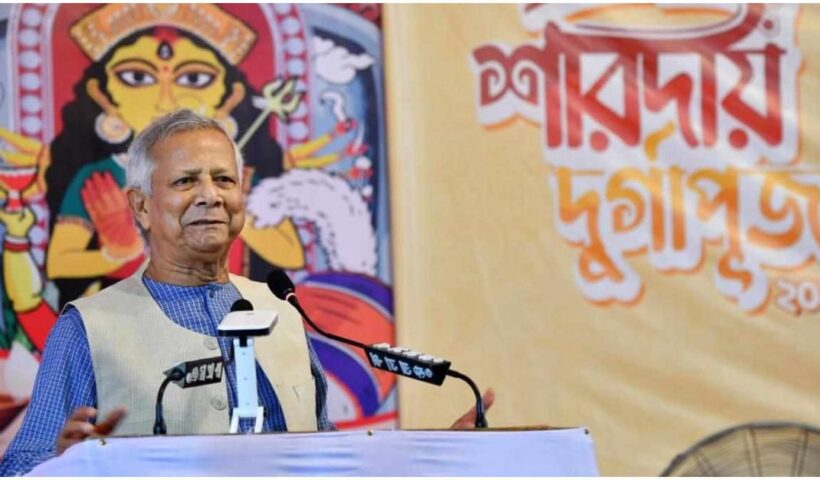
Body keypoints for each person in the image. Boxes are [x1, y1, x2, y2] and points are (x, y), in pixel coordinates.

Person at [0, 110, 493, 476]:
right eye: (186, 181)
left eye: (223, 179)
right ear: (142, 206)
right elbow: (19, 468)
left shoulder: (283, 312)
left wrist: (436, 459)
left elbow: (328, 461)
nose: (210, 195)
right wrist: (63, 466)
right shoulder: (87, 328)